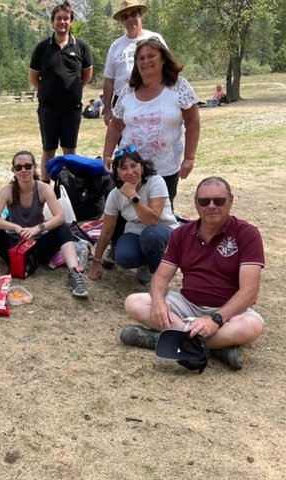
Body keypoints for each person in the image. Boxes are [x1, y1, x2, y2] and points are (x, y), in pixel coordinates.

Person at [121, 177, 265, 370]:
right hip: (187, 304)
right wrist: (158, 302)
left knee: (251, 325)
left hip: (227, 310)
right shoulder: (181, 234)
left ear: (230, 201)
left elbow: (250, 292)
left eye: (219, 200)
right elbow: (161, 277)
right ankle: (215, 348)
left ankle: (161, 338)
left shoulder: (247, 233)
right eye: (204, 201)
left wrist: (215, 320)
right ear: (196, 204)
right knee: (134, 302)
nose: (211, 206)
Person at [0, 151, 89, 298]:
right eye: (18, 167)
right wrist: (15, 227)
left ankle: (74, 273)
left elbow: (60, 216)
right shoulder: (8, 190)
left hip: (38, 247)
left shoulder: (43, 188)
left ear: (34, 167)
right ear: (13, 170)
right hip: (13, 248)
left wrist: (37, 228)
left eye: (27, 166)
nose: (23, 170)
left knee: (62, 228)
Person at [102, 37, 200, 207]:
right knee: (126, 212)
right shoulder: (128, 91)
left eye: (151, 56)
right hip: (129, 169)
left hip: (165, 169)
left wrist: (189, 158)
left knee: (159, 216)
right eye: (141, 58)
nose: (146, 61)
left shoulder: (179, 87)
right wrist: (107, 154)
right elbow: (115, 126)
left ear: (163, 59)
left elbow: (192, 121)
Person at [88, 145, 178, 285]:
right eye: (123, 168)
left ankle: (159, 274)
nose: (130, 172)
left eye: (134, 166)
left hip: (162, 230)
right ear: (117, 173)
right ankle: (145, 264)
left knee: (151, 235)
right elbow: (106, 231)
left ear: (142, 166)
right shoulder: (115, 195)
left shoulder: (155, 182)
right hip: (135, 233)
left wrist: (132, 196)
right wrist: (96, 261)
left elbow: (152, 220)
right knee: (123, 256)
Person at [28, 1, 93, 183]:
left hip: (72, 108)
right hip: (48, 108)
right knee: (48, 149)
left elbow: (87, 74)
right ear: (52, 22)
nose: (62, 22)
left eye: (66, 18)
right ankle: (45, 186)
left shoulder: (80, 46)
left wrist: (75, 89)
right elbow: (33, 77)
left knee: (69, 149)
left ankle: (69, 186)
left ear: (71, 21)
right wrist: (47, 90)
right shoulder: (42, 47)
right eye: (58, 18)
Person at [102, 0, 167, 127]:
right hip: (123, 102)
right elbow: (109, 80)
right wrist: (107, 108)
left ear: (140, 15)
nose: (130, 19)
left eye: (133, 14)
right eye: (125, 17)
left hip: (154, 98)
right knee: (123, 138)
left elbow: (168, 67)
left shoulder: (155, 38)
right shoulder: (115, 46)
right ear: (122, 21)